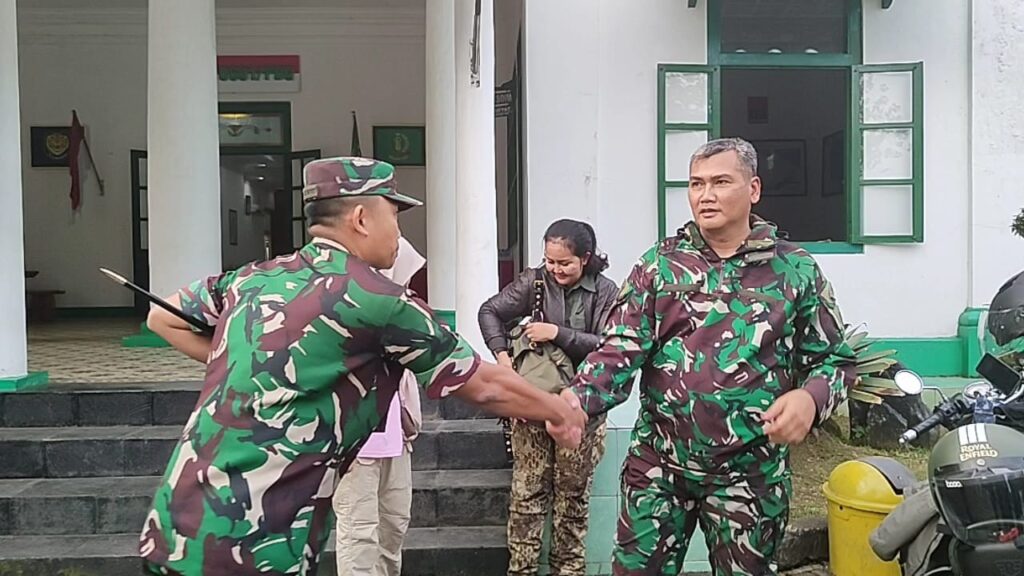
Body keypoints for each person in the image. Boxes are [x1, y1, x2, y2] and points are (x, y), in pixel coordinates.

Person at [140, 156, 587, 576]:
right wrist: (558, 411)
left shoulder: (253, 277)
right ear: (360, 218)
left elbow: (162, 317)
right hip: (254, 542)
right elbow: (483, 383)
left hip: (175, 524)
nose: (398, 231)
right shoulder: (377, 299)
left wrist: (255, 358)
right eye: (394, 215)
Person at [564, 137, 858, 575]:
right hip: (659, 466)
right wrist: (575, 402)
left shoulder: (794, 270)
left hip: (750, 473)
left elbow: (836, 360)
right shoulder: (659, 266)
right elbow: (619, 349)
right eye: (696, 184)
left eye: (721, 182)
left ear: (753, 189)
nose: (706, 195)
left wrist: (810, 398)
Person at [478, 218, 619, 576]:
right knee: (527, 495)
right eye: (550, 261)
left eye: (564, 263)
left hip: (583, 408)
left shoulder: (606, 291)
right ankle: (521, 570)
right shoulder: (534, 281)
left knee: (573, 498)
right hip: (532, 406)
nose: (554, 269)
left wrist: (556, 332)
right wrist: (503, 358)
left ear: (585, 258)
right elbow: (489, 311)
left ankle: (568, 570)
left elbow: (609, 345)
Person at [332, 236, 425, 576]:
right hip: (357, 443)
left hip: (395, 439)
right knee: (359, 533)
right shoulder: (344, 310)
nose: (409, 285)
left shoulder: (402, 314)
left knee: (393, 526)